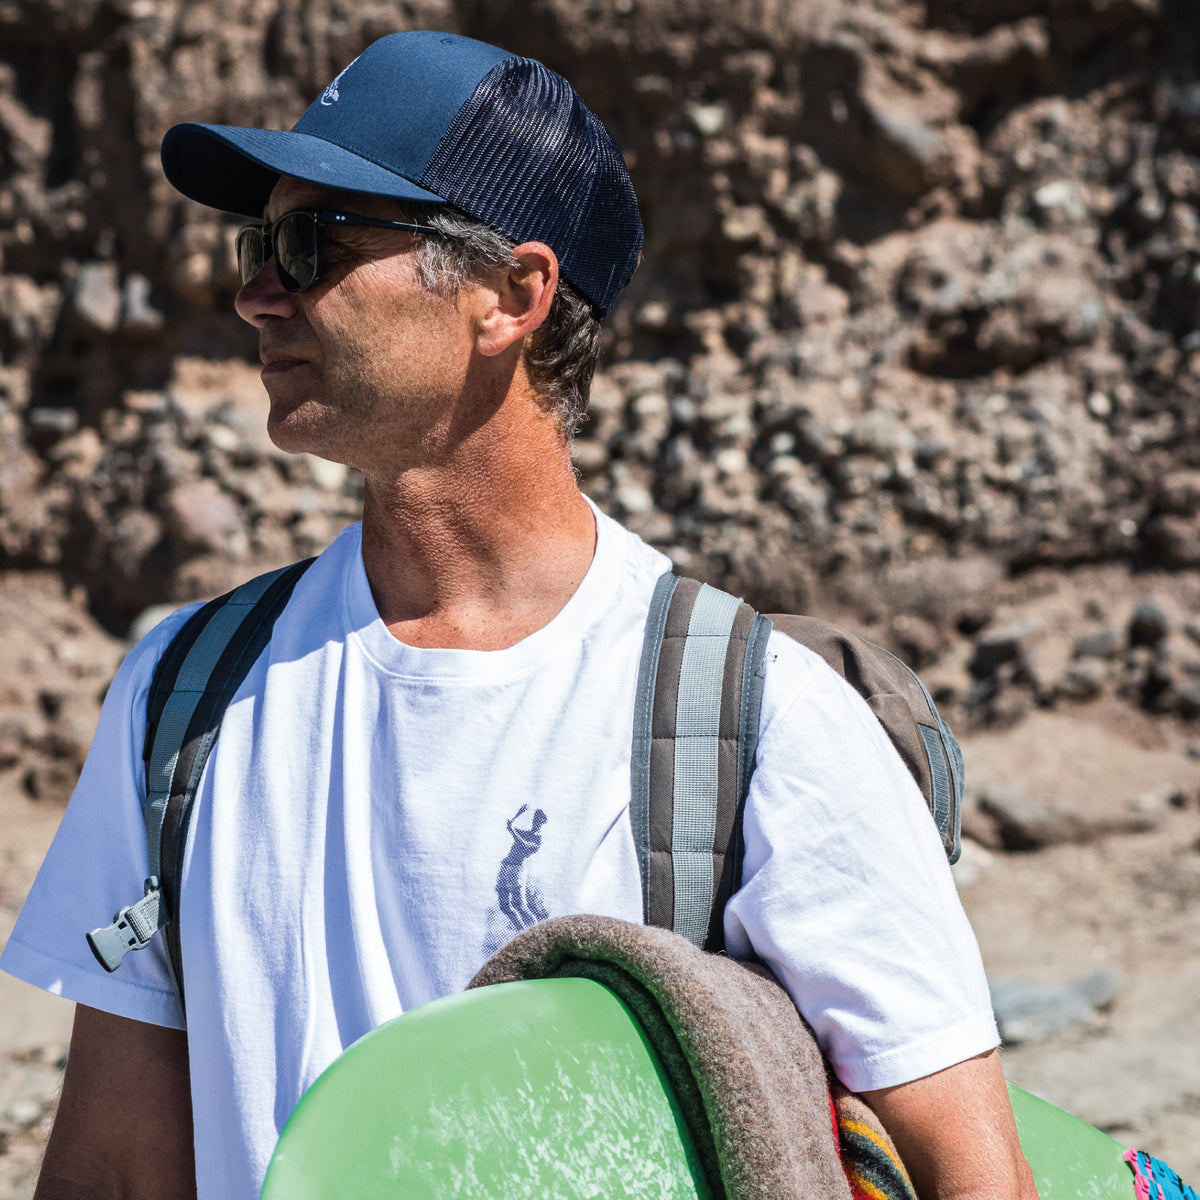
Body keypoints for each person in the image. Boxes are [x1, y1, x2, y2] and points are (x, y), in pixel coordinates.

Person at [0, 30, 1038, 1200]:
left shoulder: (755, 722)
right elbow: (115, 1171)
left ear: (512, 295)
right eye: (257, 243)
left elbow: (976, 1176)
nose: (255, 295)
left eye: (312, 243)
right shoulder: (181, 697)